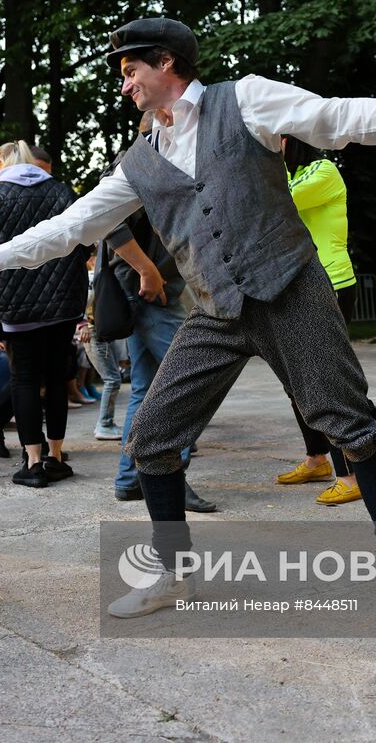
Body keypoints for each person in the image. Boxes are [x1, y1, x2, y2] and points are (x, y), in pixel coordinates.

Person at [0, 17, 376, 622]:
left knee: (350, 424)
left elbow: (341, 118)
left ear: (167, 64)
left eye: (130, 72)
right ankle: (173, 575)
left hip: (290, 290)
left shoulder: (246, 98)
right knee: (150, 435)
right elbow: (75, 225)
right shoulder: (140, 161)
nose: (124, 86)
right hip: (214, 310)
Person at [100, 137, 215, 513]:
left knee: (146, 389)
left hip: (149, 290)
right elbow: (111, 222)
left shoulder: (173, 159)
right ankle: (171, 480)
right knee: (190, 383)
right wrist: (147, 271)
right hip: (147, 291)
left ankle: (130, 479)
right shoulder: (138, 161)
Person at [0, 141, 89, 488]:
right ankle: (56, 456)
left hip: (13, 303)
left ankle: (32, 462)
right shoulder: (61, 190)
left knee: (23, 379)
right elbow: (83, 239)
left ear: (1, 164)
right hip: (63, 300)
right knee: (55, 378)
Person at [275, 137, 363, 506]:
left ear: (287, 141)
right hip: (298, 284)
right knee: (295, 382)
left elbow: (277, 203)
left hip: (332, 283)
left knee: (326, 379)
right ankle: (317, 459)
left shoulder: (324, 172)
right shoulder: (289, 173)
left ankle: (352, 474)